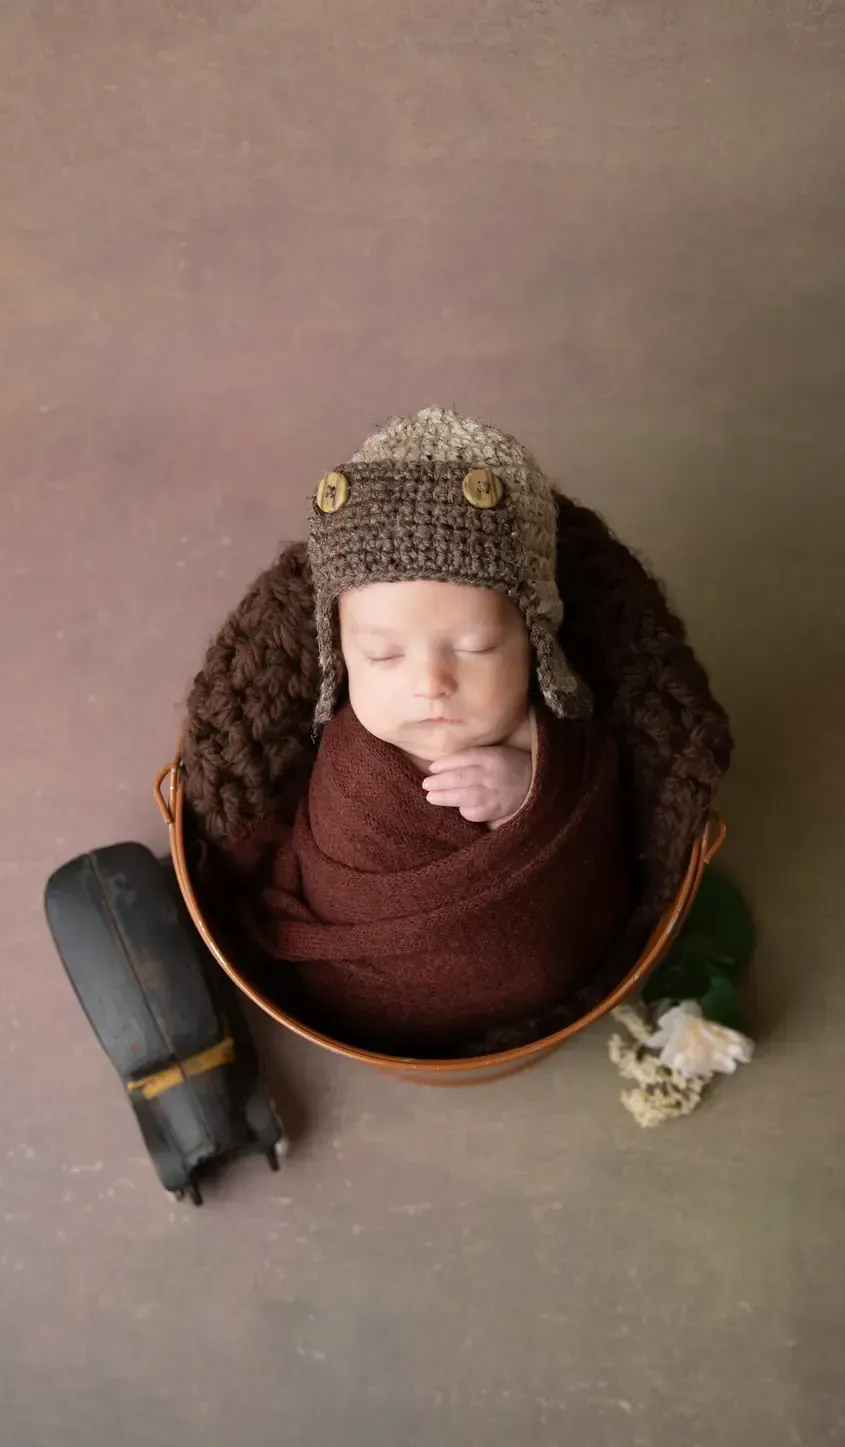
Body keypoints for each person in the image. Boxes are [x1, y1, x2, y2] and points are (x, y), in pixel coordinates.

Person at [181, 409, 732, 1057]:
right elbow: (290, 853)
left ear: (536, 646)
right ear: (338, 659)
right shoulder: (343, 752)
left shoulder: (558, 737)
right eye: (385, 656)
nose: (430, 683)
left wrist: (535, 785)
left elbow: (606, 808)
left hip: (552, 959)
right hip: (350, 977)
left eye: (475, 648)